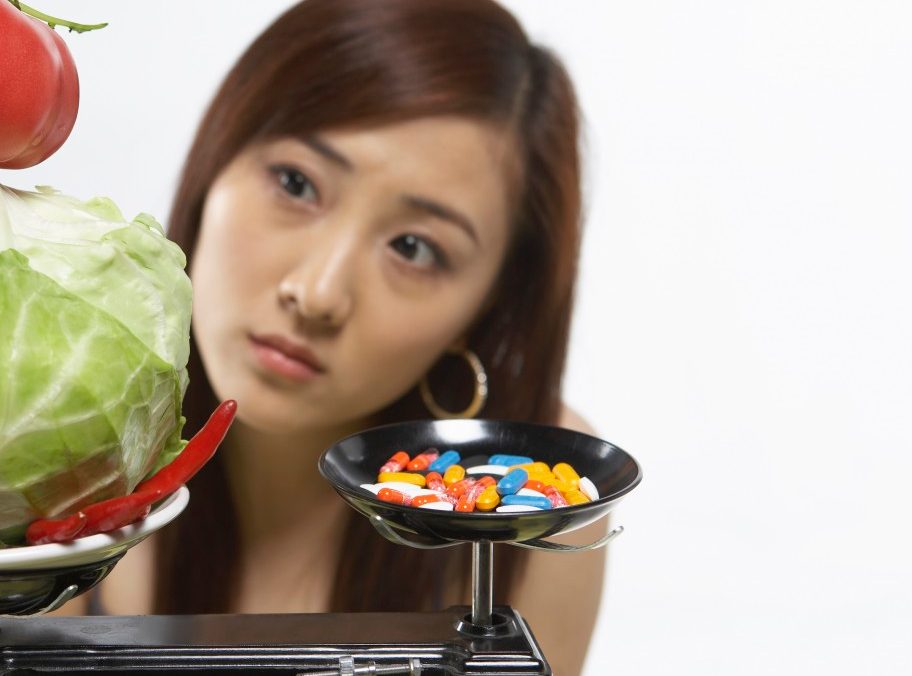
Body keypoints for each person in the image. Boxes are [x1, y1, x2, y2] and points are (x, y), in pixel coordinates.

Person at [58, 0, 607, 672]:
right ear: (214, 165)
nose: (317, 293)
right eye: (296, 183)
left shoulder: (545, 500)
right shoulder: (65, 426)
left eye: (413, 247)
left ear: (486, 306)